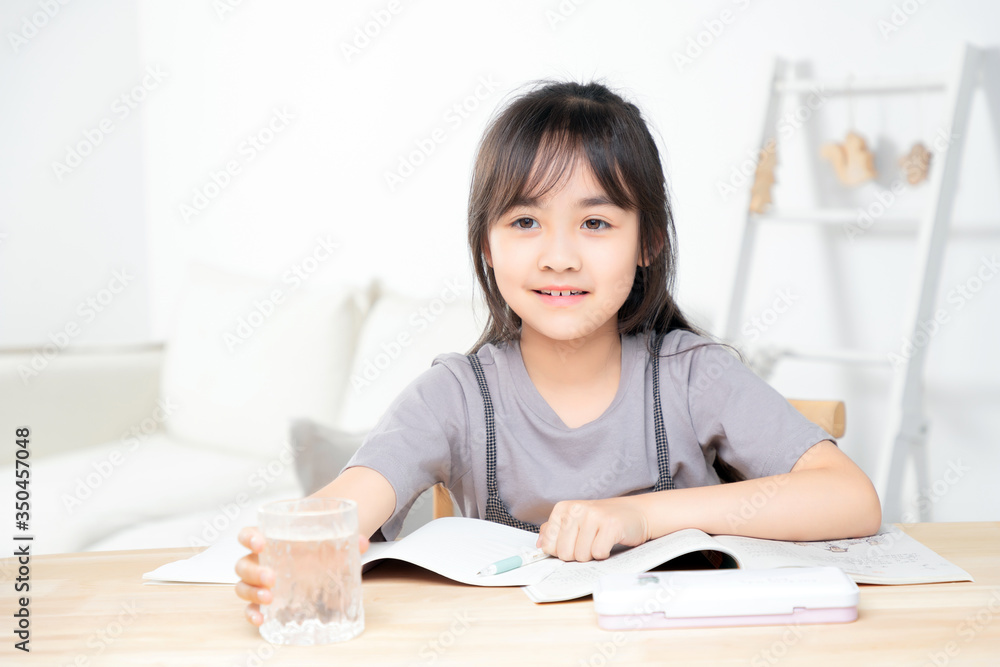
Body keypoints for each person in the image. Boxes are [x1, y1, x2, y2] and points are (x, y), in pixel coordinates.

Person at [235, 79, 881, 627]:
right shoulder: (456, 396)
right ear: (486, 246)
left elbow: (852, 498)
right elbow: (351, 500)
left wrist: (640, 514)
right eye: (524, 222)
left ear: (648, 241)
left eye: (596, 223)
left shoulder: (691, 375)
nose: (559, 255)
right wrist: (293, 548)